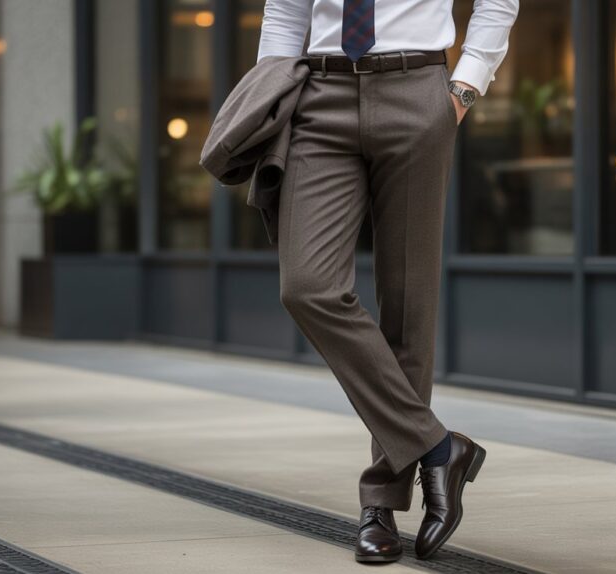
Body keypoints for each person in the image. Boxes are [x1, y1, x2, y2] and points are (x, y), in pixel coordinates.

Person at [257, 0, 518, 563]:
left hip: (418, 89)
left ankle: (380, 504)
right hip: (317, 97)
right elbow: (284, 11)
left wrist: (463, 90)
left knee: (407, 308)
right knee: (307, 285)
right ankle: (439, 448)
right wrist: (269, 98)